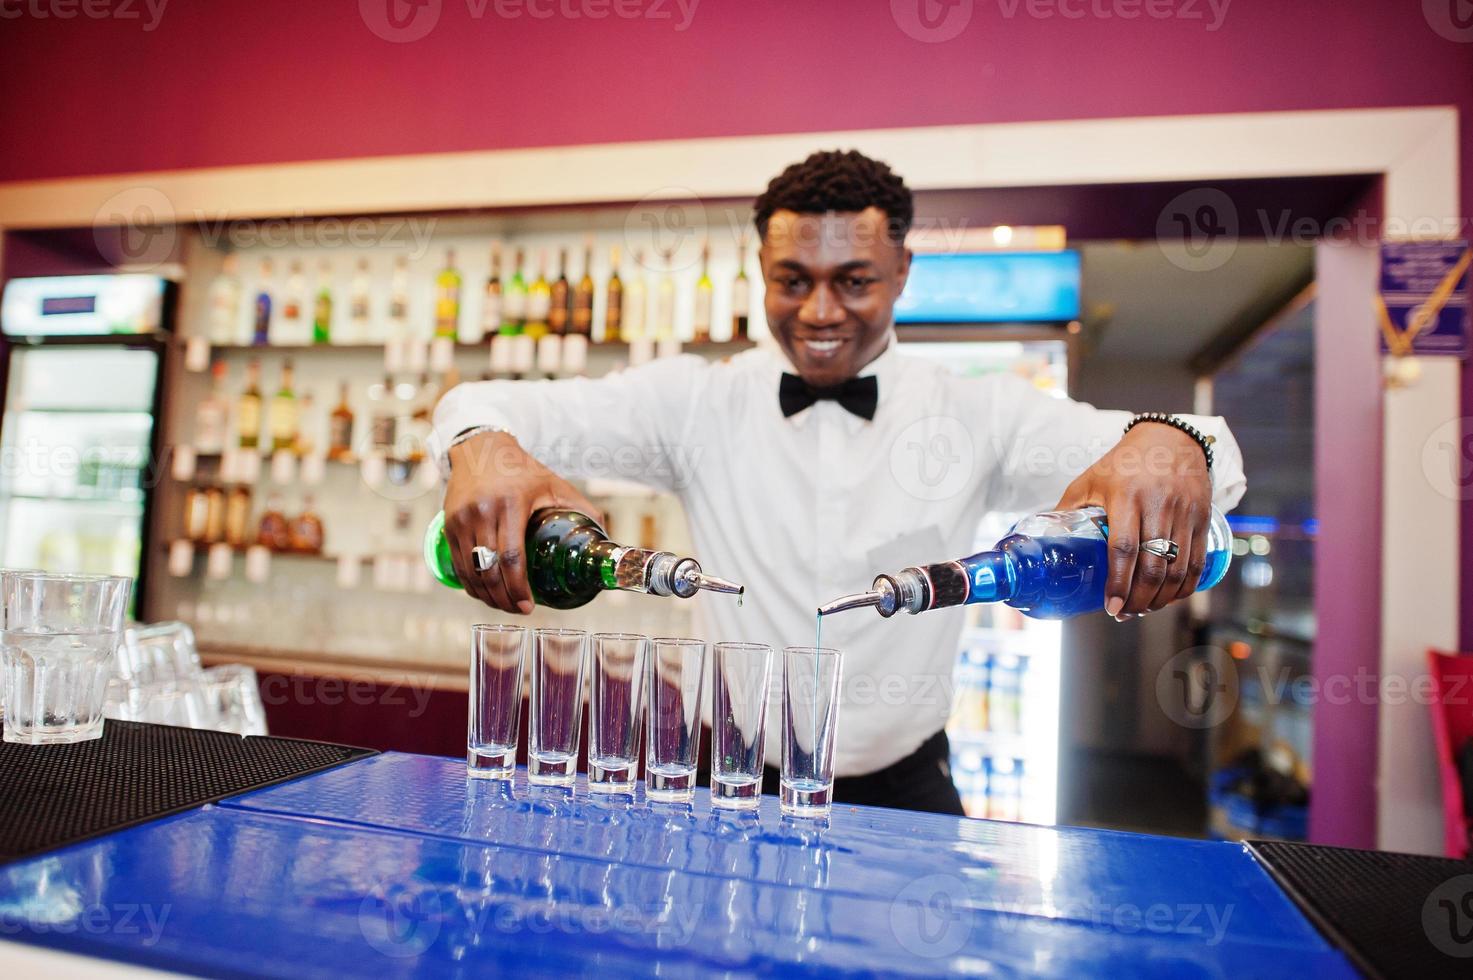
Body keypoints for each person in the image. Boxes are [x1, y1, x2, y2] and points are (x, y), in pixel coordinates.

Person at [430, 149, 1245, 815]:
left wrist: (1168, 443)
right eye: (793, 280)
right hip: (736, 780)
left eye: (853, 280)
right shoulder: (691, 402)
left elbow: (1206, 443)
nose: (820, 312)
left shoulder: (981, 413)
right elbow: (487, 403)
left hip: (908, 785)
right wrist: (482, 444)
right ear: (760, 268)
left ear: (901, 271)